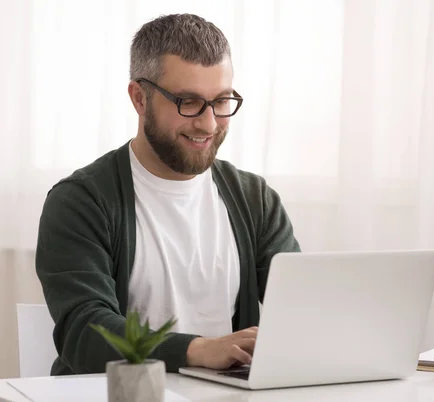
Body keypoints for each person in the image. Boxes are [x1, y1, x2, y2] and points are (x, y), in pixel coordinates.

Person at [35, 13, 300, 376]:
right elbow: (84, 333)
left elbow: (303, 311)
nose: (207, 124)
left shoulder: (255, 199)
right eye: (187, 102)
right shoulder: (80, 201)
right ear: (139, 98)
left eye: (221, 101)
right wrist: (199, 349)